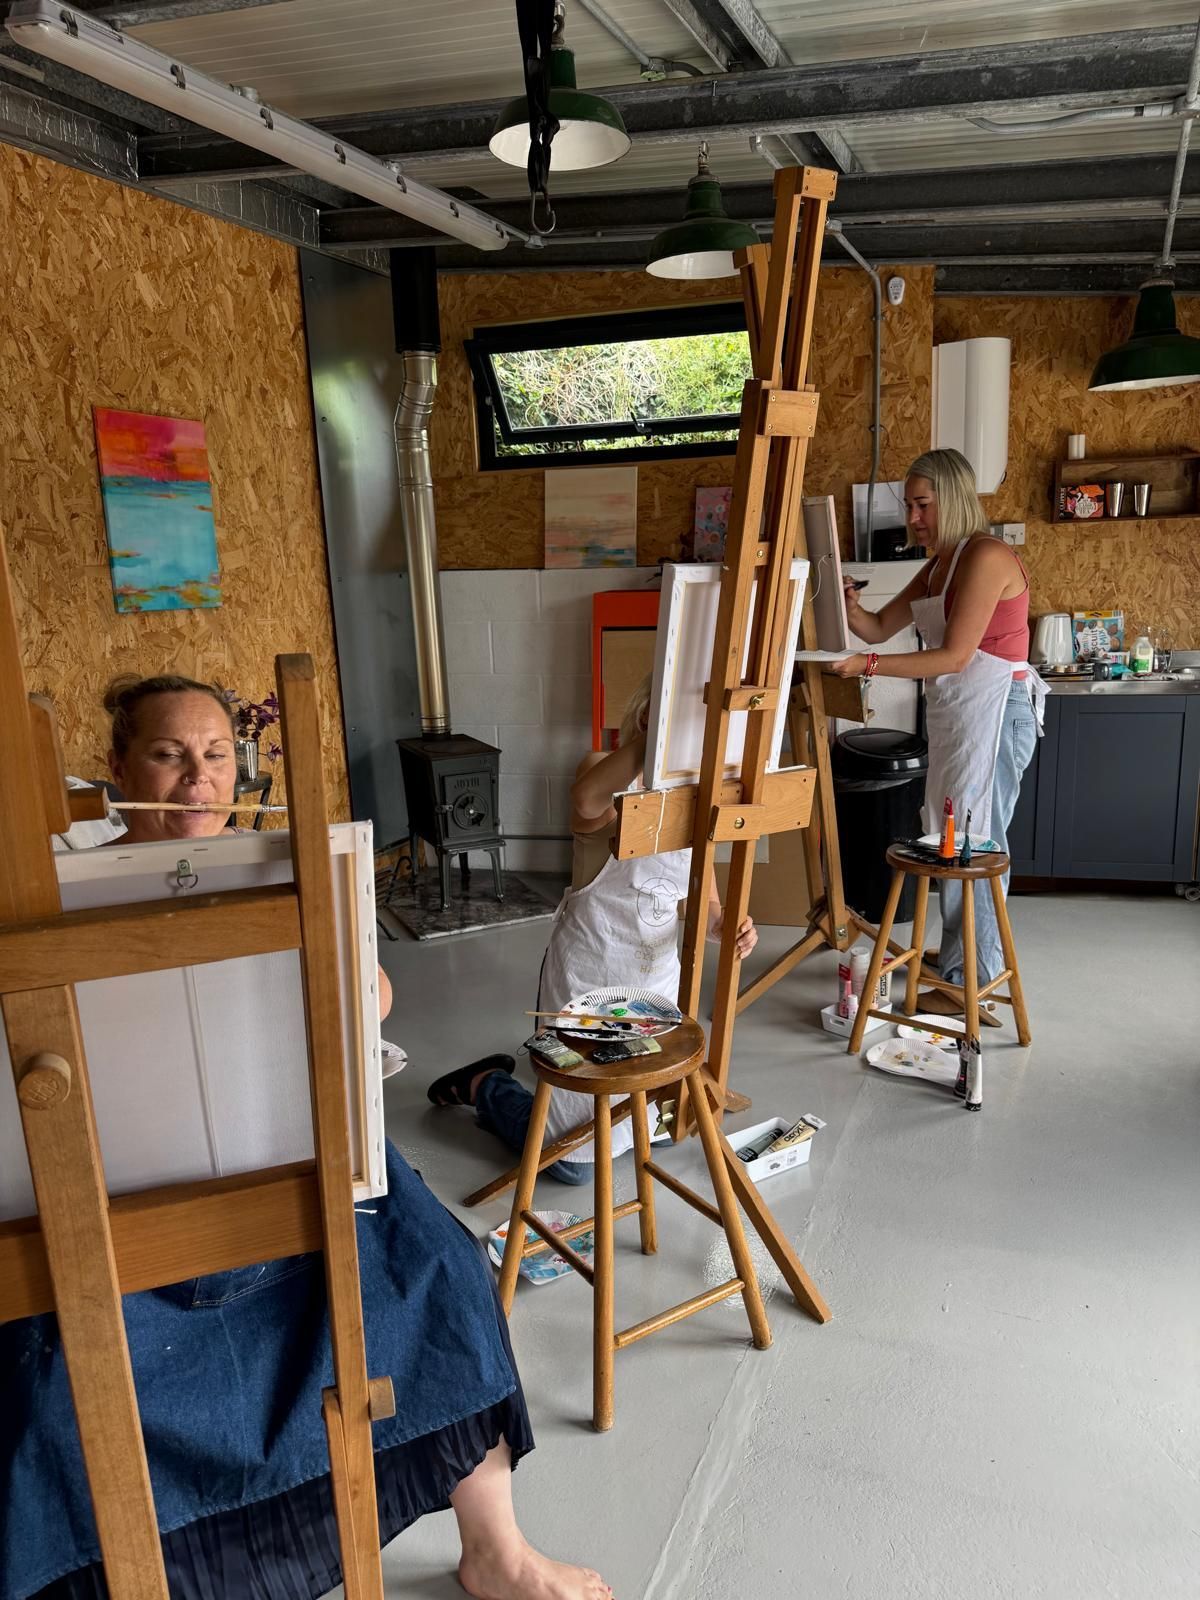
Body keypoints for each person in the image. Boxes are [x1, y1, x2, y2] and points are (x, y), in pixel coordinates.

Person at [0, 674, 612, 1600]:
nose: (195, 779)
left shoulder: (278, 866)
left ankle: (497, 1549)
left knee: (442, 1275)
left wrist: (351, 984)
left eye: (214, 755)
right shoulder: (59, 892)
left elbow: (377, 995)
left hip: (287, 1161)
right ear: (119, 767)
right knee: (45, 1387)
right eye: (167, 755)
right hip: (114, 1195)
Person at [428, 676, 757, 1181]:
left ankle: (567, 1099)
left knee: (656, 1125)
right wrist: (656, 743)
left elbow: (702, 900)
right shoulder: (600, 770)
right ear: (648, 720)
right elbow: (586, 801)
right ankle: (487, 1085)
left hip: (652, 986)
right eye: (685, 728)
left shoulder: (696, 795)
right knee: (574, 1166)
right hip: (587, 976)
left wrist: (723, 925)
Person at [829, 449, 1048, 1019]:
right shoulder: (939, 566)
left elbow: (953, 657)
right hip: (960, 717)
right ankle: (958, 966)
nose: (914, 518)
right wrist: (848, 604)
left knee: (973, 844)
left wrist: (867, 668)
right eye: (910, 505)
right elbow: (877, 627)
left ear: (952, 498)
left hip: (996, 715)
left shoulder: (987, 556)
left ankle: (968, 979)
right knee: (950, 838)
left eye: (922, 504)